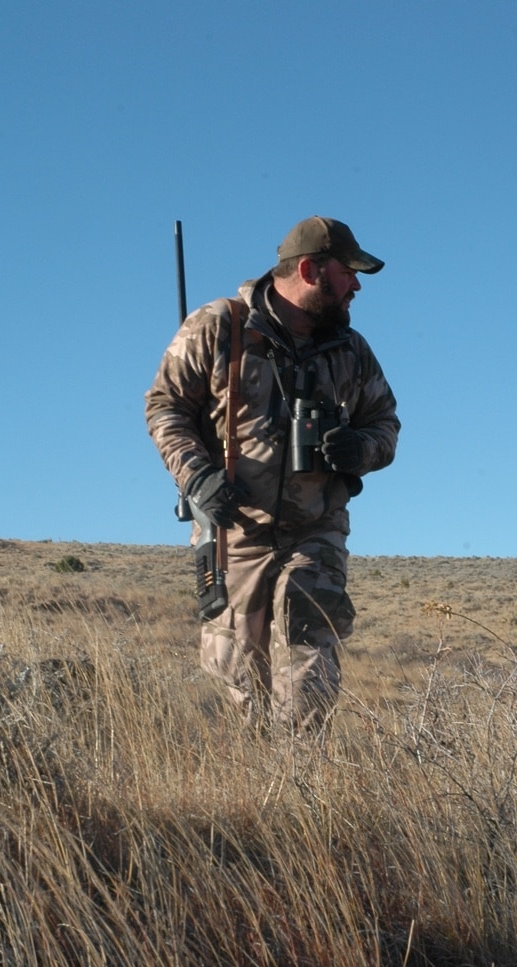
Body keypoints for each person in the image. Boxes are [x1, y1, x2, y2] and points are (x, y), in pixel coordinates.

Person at [145, 216, 399, 732]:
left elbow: (386, 425)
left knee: (310, 669)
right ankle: (252, 796)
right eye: (348, 272)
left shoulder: (351, 351)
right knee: (235, 677)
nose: (356, 286)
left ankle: (302, 789)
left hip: (316, 530)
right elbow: (164, 407)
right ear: (308, 270)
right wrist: (196, 477)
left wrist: (360, 449)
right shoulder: (220, 326)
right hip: (233, 530)